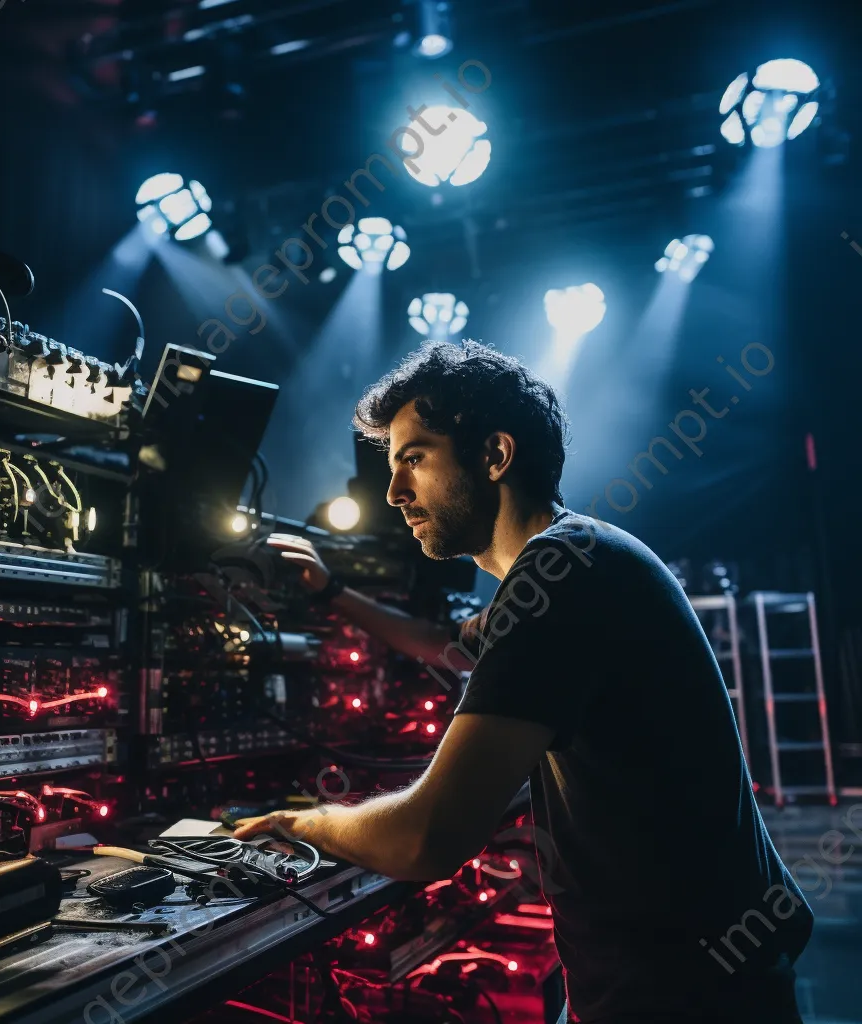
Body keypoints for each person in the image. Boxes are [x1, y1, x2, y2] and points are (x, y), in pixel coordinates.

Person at [233, 340, 813, 1023]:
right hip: (685, 979)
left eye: (413, 460)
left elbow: (428, 838)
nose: (393, 493)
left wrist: (304, 822)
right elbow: (447, 646)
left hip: (684, 998)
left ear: (495, 455)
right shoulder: (575, 561)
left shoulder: (559, 575)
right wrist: (333, 592)